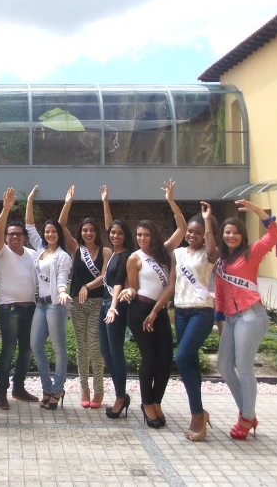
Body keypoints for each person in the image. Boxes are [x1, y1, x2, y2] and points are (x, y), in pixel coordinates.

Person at [146, 202, 219, 441]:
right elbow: (171, 285)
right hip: (181, 312)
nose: (192, 235)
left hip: (202, 312)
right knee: (192, 363)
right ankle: (199, 414)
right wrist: (156, 310)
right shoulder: (177, 254)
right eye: (190, 231)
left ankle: (198, 414)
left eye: (198, 233)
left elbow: (211, 251)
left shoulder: (210, 254)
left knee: (182, 358)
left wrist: (207, 220)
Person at [119, 180, 186, 429]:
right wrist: (127, 292)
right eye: (138, 235)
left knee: (165, 359)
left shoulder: (164, 251)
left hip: (159, 312)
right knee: (149, 359)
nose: (142, 239)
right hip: (140, 311)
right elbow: (134, 287)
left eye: (146, 235)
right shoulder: (134, 259)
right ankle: (148, 404)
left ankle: (157, 401)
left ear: (153, 236)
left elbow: (182, 227)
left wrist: (171, 201)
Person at [215, 199, 277, 440]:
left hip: (251, 316)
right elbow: (220, 294)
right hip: (232, 320)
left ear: (242, 235)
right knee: (223, 366)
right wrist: (219, 321)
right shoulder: (222, 262)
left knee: (243, 367)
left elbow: (274, 234)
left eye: (235, 232)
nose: (231, 236)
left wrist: (257, 211)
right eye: (227, 232)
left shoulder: (251, 253)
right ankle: (247, 412)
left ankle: (247, 417)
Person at [58, 186, 110, 409]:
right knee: (81, 347)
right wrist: (68, 202)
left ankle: (99, 389)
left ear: (96, 232)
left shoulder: (106, 251)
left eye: (92, 230)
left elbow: (105, 276)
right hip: (78, 305)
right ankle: (83, 388)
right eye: (85, 230)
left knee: (95, 347)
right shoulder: (76, 248)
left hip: (98, 302)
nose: (88, 233)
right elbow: (61, 226)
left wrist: (87, 286)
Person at [25, 185, 73, 410]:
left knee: (58, 348)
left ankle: (57, 389)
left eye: (53, 231)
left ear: (59, 234)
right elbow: (29, 226)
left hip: (55, 306)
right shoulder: (40, 250)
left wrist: (62, 291)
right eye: (47, 231)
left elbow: (62, 278)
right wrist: (30, 201)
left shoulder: (63, 257)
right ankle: (47, 387)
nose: (49, 234)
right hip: (40, 306)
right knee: (35, 344)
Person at [0, 188, 39, 410]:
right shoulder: (1, 253)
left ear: (24, 237)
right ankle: (1, 394)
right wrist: (5, 209)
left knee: (26, 350)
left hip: (30, 309)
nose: (13, 237)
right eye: (10, 234)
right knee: (8, 351)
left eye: (18, 234)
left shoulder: (32, 254)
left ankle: (18, 389)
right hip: (9, 309)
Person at [99, 185, 137, 419]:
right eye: (113, 233)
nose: (114, 235)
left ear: (126, 236)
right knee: (106, 352)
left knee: (115, 352)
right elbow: (108, 225)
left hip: (116, 307)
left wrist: (113, 307)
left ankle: (121, 396)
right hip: (106, 306)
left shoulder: (126, 256)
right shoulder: (113, 251)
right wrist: (105, 202)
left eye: (119, 233)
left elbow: (119, 283)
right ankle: (120, 393)